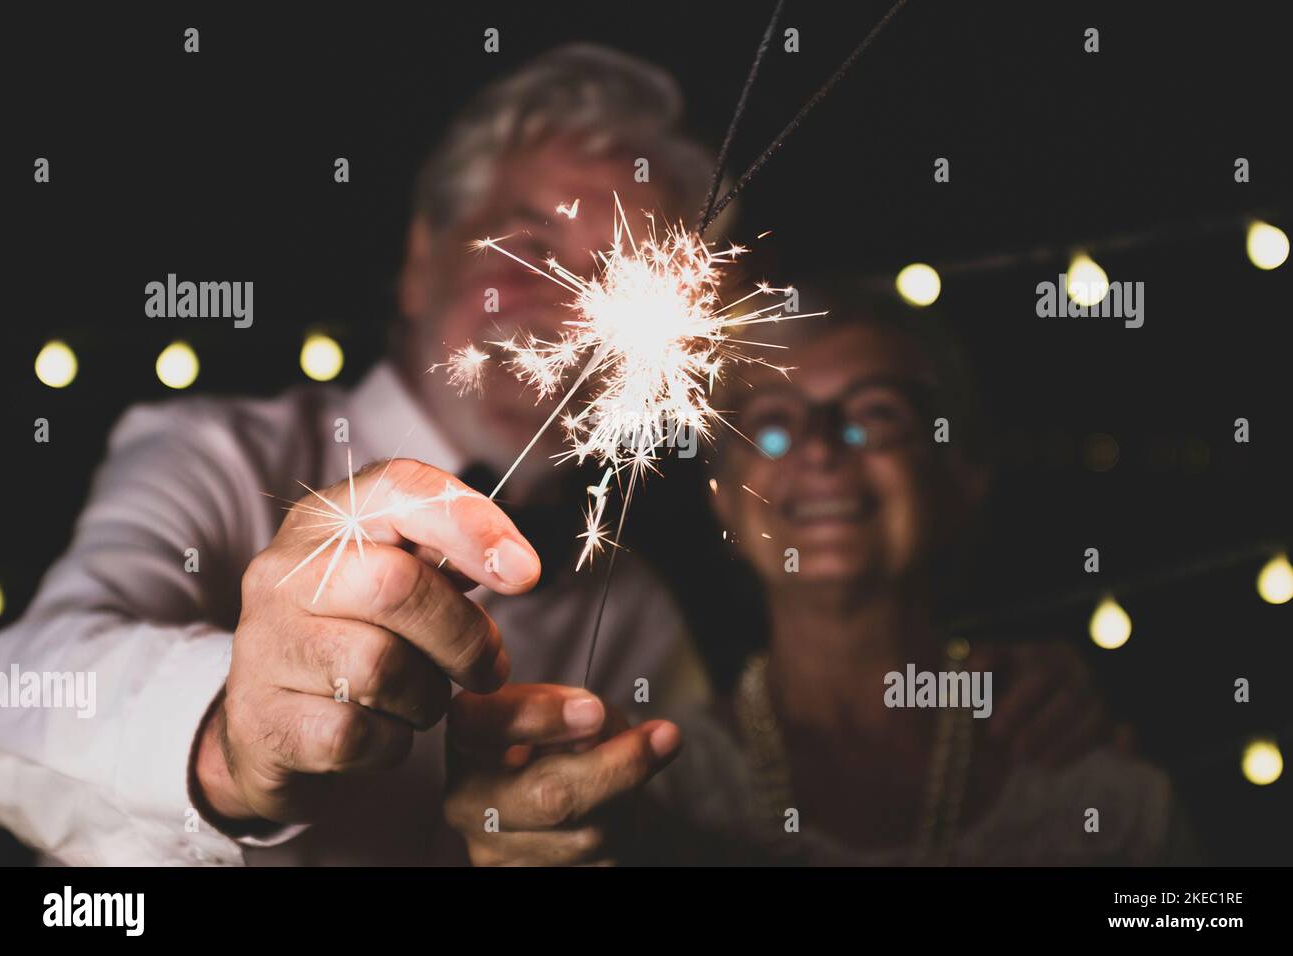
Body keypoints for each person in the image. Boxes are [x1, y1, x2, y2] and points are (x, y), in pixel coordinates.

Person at [0, 44, 712, 866]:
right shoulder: (212, 451)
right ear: (418, 261)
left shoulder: (636, 611)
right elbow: (13, 693)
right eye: (530, 249)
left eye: (614, 275)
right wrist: (230, 742)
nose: (569, 314)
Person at [443, 285, 1198, 865]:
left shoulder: (1097, 791)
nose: (822, 451)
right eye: (771, 423)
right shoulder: (648, 788)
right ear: (726, 503)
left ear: (959, 474)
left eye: (875, 416)